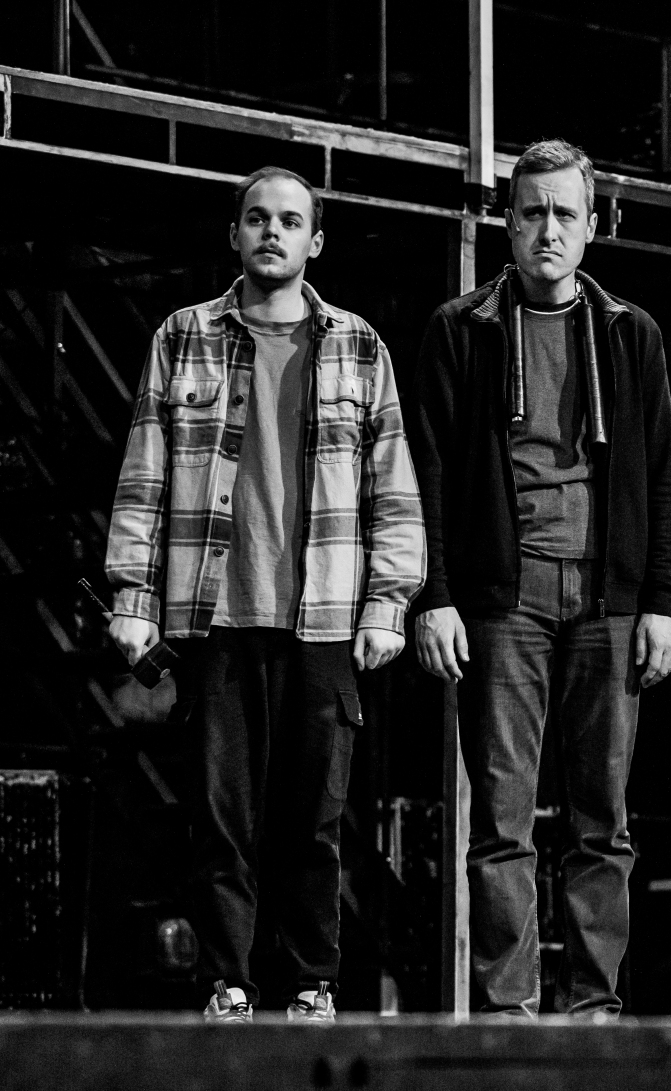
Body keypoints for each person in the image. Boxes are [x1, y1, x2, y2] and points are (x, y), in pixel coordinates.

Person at [105, 166, 425, 1024]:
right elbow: (144, 472)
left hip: (322, 616)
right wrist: (132, 594)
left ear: (315, 240)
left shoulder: (358, 345)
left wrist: (388, 602)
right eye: (256, 218)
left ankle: (311, 985)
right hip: (212, 615)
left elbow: (393, 486)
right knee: (221, 818)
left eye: (289, 220)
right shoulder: (184, 336)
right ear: (235, 234)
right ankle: (230, 984)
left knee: (312, 821)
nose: (271, 232)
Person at [405, 139, 671, 1019]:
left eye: (566, 213)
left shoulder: (631, 331)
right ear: (509, 222)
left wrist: (664, 600)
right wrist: (433, 595)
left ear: (593, 224)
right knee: (503, 822)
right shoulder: (462, 328)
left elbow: (663, 473)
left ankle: (593, 1011)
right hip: (503, 597)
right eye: (532, 212)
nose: (548, 230)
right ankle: (509, 1016)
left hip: (607, 597)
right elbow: (427, 472)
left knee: (605, 821)